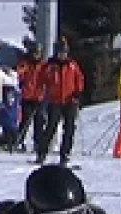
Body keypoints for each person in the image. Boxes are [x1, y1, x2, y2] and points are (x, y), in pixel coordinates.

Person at [36, 39, 84, 167]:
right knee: (51, 127)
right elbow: (41, 80)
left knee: (69, 128)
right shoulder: (50, 66)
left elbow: (79, 79)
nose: (62, 55)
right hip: (55, 101)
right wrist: (42, 94)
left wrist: (78, 93)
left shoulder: (72, 65)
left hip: (70, 101)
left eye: (64, 52)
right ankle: (42, 153)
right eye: (60, 52)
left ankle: (65, 154)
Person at [16, 39, 47, 154]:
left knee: (39, 121)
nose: (36, 55)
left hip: (39, 96)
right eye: (34, 53)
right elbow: (20, 72)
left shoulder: (43, 65)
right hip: (27, 96)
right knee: (25, 120)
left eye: (38, 53)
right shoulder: (25, 63)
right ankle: (20, 141)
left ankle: (38, 144)